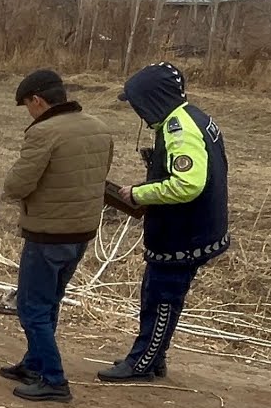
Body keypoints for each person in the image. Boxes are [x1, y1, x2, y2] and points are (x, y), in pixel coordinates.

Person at [98, 61, 230, 382]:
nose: (137, 111)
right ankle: (153, 357)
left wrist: (139, 194)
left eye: (138, 103)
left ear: (152, 99)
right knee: (157, 293)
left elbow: (188, 184)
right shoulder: (192, 117)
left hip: (183, 234)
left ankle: (142, 362)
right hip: (193, 229)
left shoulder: (179, 130)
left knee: (161, 297)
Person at [0, 70, 114, 402]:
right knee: (50, 301)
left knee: (31, 306)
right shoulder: (99, 127)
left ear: (37, 100)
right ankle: (34, 364)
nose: (29, 113)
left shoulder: (44, 132)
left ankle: (53, 379)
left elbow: (16, 185)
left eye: (27, 105)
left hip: (48, 234)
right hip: (81, 232)